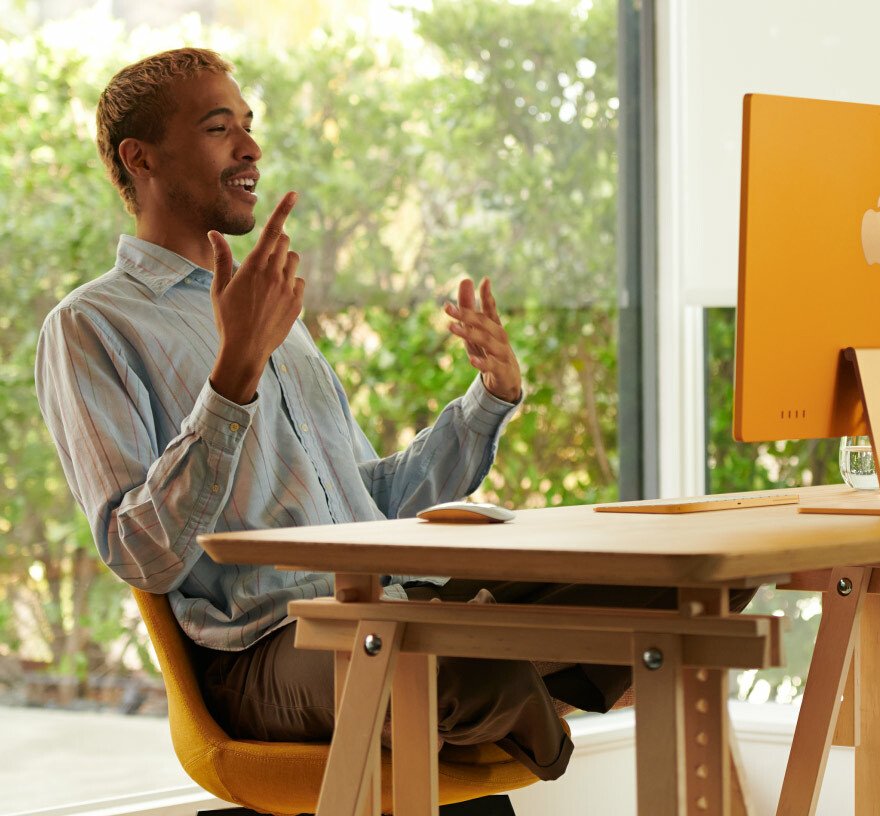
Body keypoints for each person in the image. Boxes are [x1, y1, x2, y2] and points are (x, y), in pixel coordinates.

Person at [34, 47, 741, 781]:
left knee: (686, 586)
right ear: (140, 158)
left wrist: (487, 401)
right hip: (267, 648)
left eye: (248, 123)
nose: (252, 147)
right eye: (220, 128)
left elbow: (374, 506)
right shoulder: (90, 326)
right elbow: (138, 552)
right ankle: (504, 680)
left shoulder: (269, 311)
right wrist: (233, 377)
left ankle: (493, 677)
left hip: (389, 600)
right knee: (443, 660)